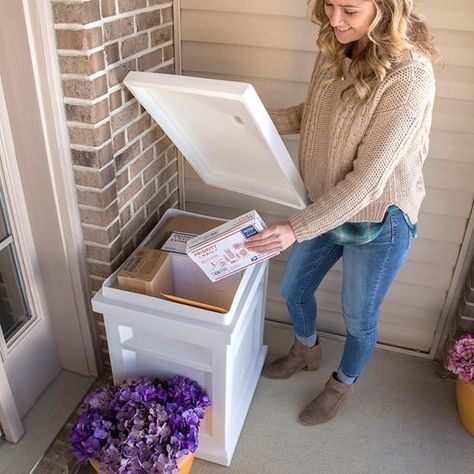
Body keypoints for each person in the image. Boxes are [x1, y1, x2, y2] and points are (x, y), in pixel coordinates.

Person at [245, 0, 438, 425]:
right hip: (327, 205)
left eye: (349, 9)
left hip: (378, 218)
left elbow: (369, 180)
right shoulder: (336, 46)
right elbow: (313, 115)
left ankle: (341, 384)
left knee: (358, 314)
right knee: (294, 288)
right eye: (329, 5)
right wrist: (250, 119)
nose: (334, 20)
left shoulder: (410, 74)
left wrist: (296, 228)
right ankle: (306, 350)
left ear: (385, 8)